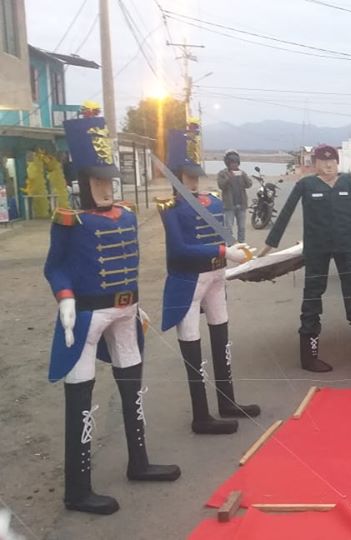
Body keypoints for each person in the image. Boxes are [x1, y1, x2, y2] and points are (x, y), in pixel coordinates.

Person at [45, 110, 180, 515]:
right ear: (82, 183)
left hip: (126, 314)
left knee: (133, 388)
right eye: (97, 181)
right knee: (81, 398)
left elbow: (130, 264)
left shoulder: (128, 214)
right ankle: (78, 489)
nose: (105, 188)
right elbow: (55, 267)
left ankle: (139, 461)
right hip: (85, 317)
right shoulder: (70, 221)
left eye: (108, 181)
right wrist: (65, 297)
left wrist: (136, 305)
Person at [158, 125, 259, 435]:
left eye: (195, 175)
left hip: (215, 277)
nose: (193, 181)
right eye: (187, 175)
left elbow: (222, 234)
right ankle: (201, 414)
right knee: (192, 343)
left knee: (221, 338)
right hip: (188, 282)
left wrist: (237, 248)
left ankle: (227, 400)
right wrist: (224, 250)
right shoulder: (170, 209)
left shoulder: (212, 202)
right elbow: (179, 249)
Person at [262, 144, 351, 372]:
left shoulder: (350, 182)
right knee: (312, 296)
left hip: (347, 247)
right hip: (316, 249)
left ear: (338, 162)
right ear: (314, 164)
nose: (328, 165)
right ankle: (309, 356)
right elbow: (285, 213)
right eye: (323, 162)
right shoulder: (306, 185)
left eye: (332, 161)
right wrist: (269, 244)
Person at [216, 148, 253, 243]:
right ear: (227, 163)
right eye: (232, 162)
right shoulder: (222, 173)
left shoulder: (242, 173)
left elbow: (249, 184)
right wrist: (229, 178)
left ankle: (242, 245)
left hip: (241, 205)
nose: (234, 164)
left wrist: (243, 176)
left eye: (236, 162)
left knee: (242, 228)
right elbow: (221, 186)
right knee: (228, 228)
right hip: (229, 206)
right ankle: (230, 246)